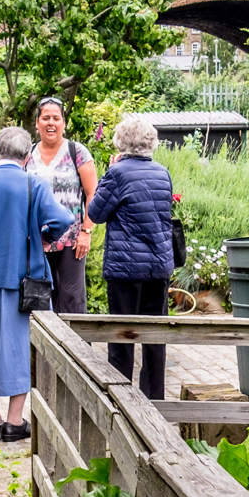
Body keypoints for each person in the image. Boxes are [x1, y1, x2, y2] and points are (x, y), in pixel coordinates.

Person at [0, 128, 74, 443]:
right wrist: (43, 239)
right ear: (27, 157)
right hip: (28, 281)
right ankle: (14, 421)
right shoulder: (35, 184)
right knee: (23, 347)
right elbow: (63, 219)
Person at [87, 115, 174, 401]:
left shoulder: (118, 173)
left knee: (122, 338)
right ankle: (154, 399)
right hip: (158, 265)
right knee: (154, 338)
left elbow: (96, 214)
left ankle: (122, 403)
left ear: (121, 142)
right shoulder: (162, 172)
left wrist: (108, 173)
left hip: (126, 269)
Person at [24, 96, 97, 314]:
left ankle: (77, 348)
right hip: (36, 239)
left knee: (71, 299)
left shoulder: (78, 152)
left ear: (63, 123)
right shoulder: (26, 154)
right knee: (37, 298)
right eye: (45, 118)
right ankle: (39, 347)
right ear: (37, 123)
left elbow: (93, 193)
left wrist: (86, 231)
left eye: (56, 118)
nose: (51, 123)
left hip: (72, 240)